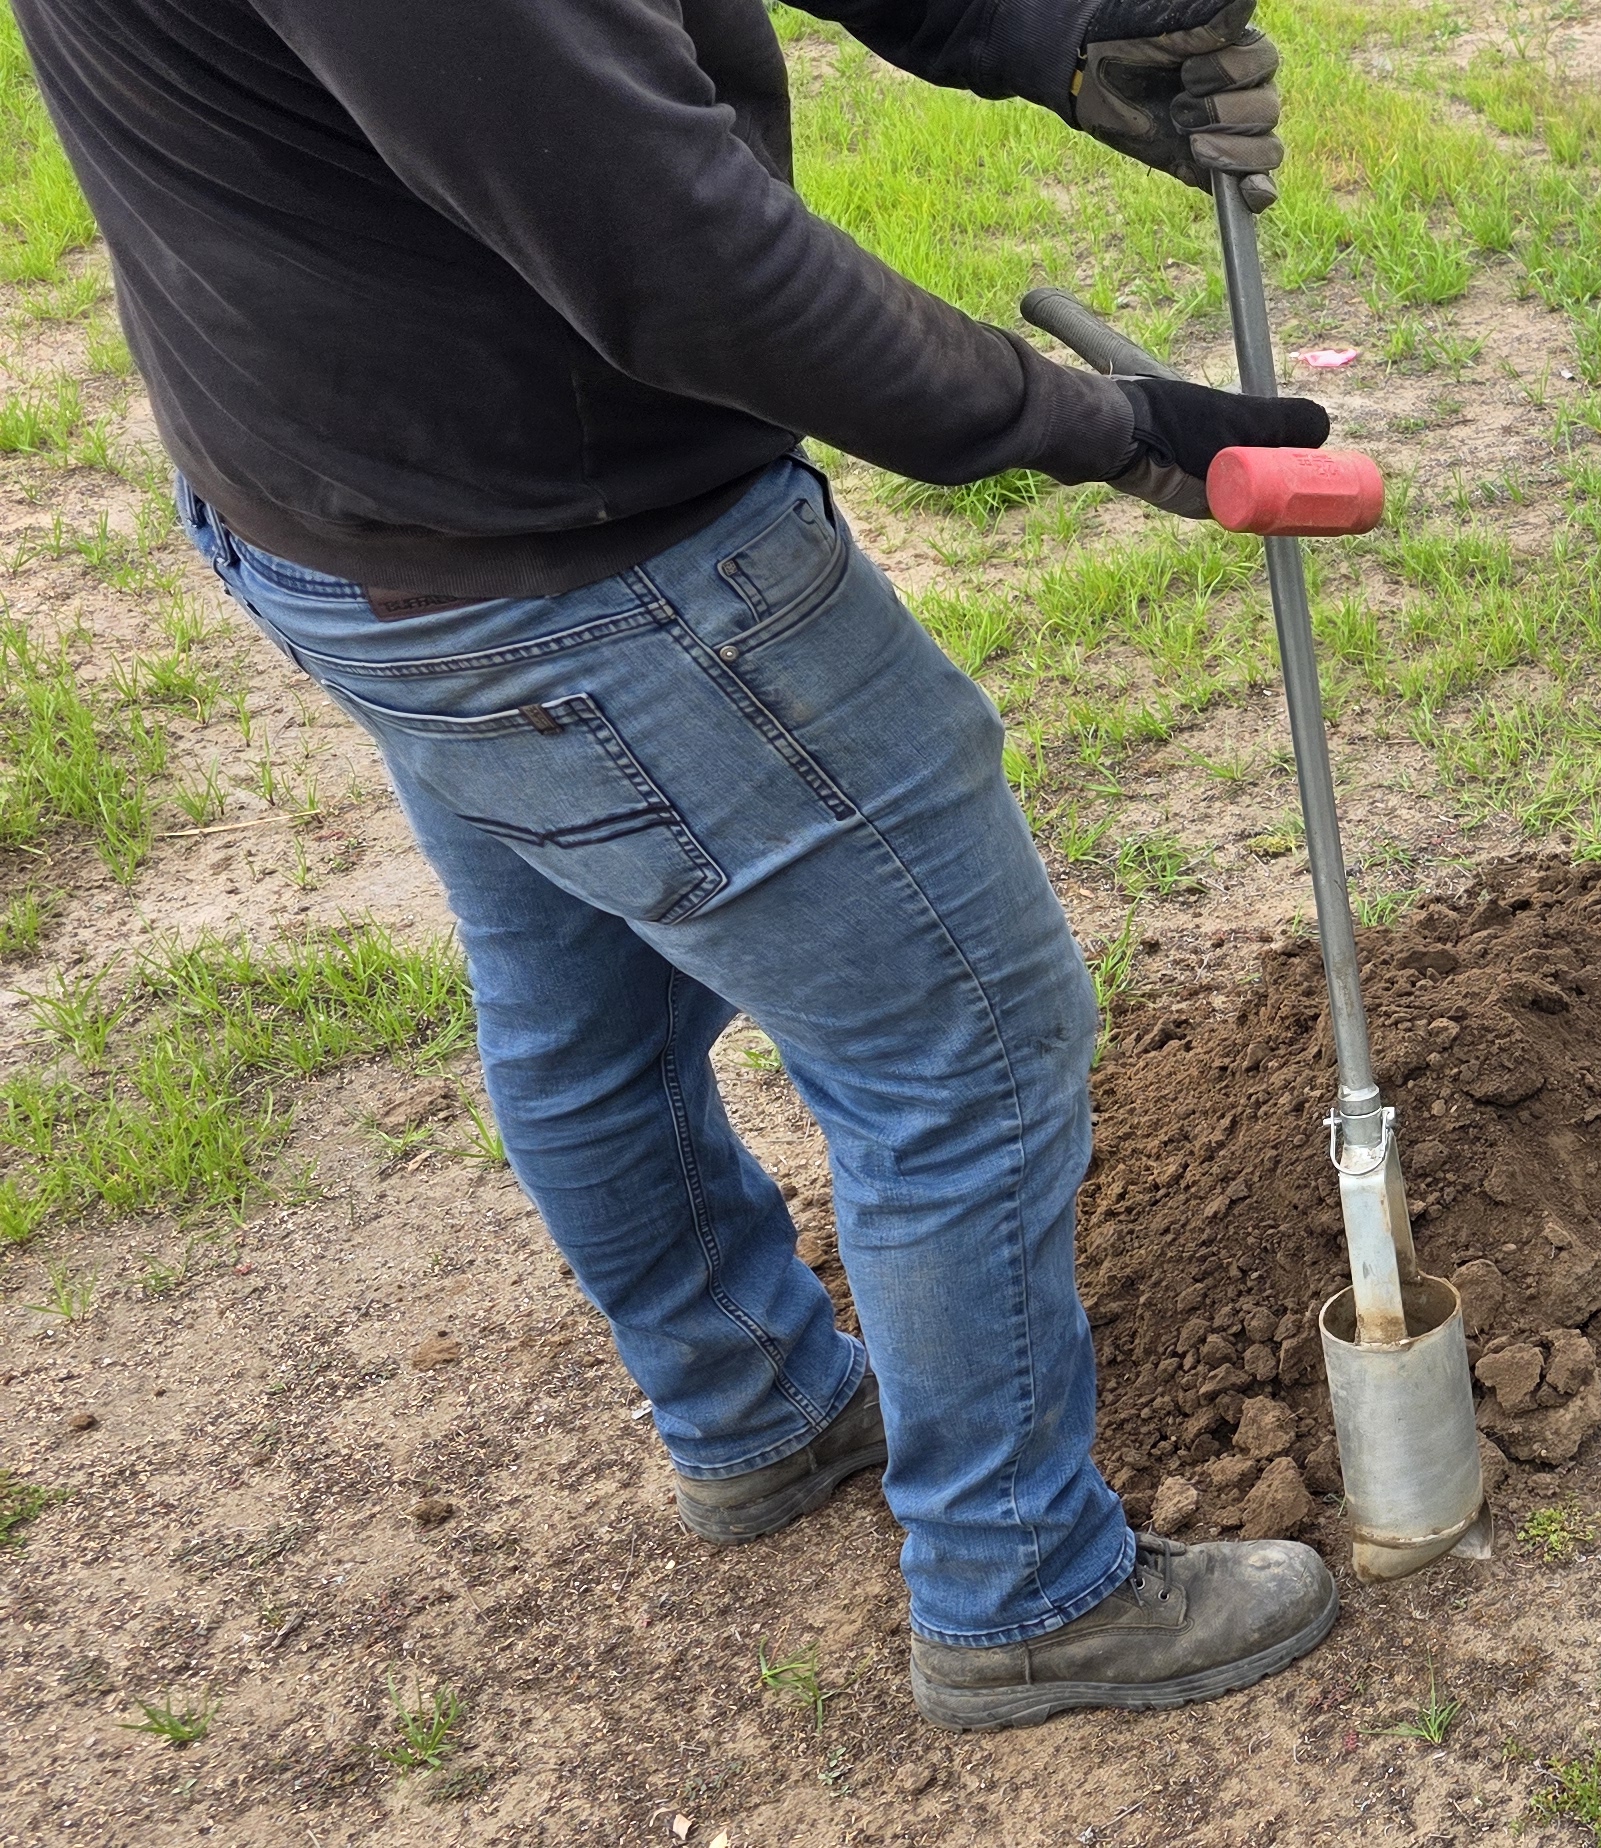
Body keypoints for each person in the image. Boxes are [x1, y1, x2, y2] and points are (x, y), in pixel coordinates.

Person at [19, 0, 1344, 1726]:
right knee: (969, 1041)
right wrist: (1105, 426)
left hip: (362, 507)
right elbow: (685, 258)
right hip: (581, 577)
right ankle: (1020, 1581)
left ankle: (759, 1410)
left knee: (589, 1004)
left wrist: (1040, 35)